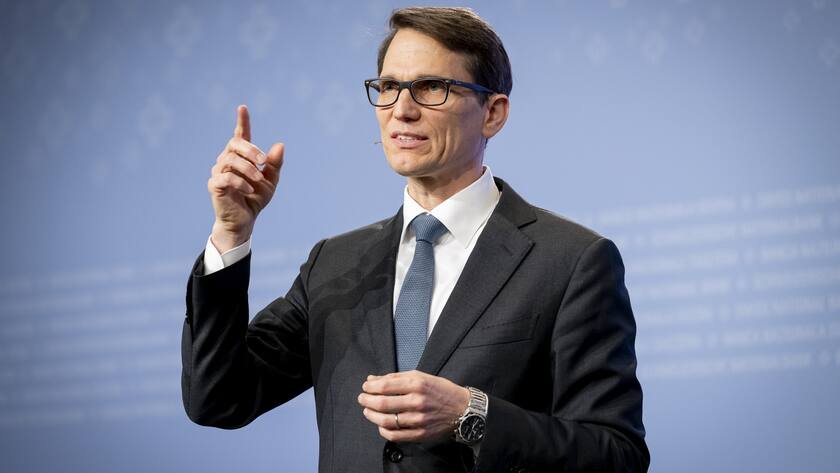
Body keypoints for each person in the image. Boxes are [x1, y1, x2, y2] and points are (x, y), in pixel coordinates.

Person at [182, 7, 649, 473]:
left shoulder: (570, 261)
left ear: (493, 113)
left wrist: (473, 415)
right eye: (387, 87)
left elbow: (616, 455)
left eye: (431, 87)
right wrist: (231, 231)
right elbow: (219, 398)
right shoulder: (335, 263)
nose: (401, 110)